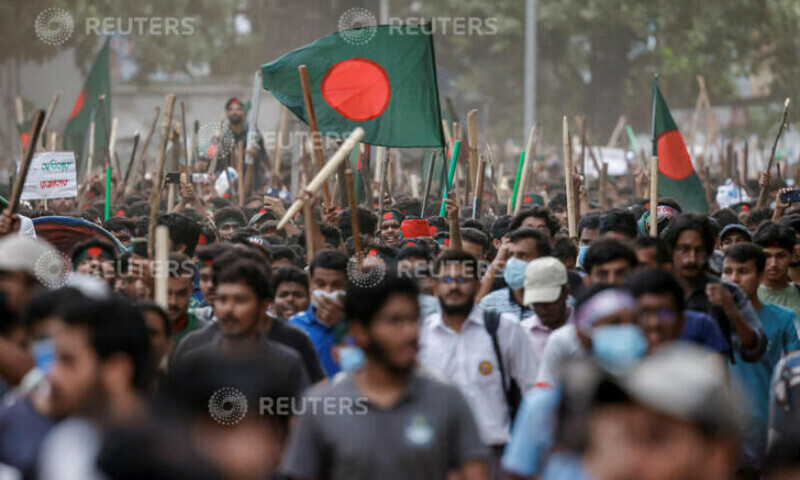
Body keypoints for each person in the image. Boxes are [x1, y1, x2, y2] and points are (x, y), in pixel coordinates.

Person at [281, 270, 489, 480]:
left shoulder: (448, 400)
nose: (410, 333)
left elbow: (473, 472)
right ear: (360, 331)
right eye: (395, 321)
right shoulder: (320, 407)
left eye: (413, 320)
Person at [419, 250, 538, 470]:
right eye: (447, 280)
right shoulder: (420, 335)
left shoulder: (503, 328)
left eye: (462, 279)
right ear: (435, 287)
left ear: (478, 284)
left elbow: (534, 393)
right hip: (436, 456)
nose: (454, 286)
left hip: (493, 455)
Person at [38, 295, 153, 480]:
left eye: (68, 361)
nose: (52, 373)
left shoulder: (175, 459)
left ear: (117, 372)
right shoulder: (65, 443)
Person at [171, 255, 310, 396]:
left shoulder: (287, 364)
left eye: (240, 300)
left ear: (262, 307)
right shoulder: (192, 359)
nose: (229, 309)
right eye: (222, 300)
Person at [721, 243, 800, 471]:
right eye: (728, 271)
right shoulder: (707, 319)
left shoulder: (783, 319)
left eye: (743, 272)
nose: (734, 279)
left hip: (767, 431)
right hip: (722, 433)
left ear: (760, 275)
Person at [664, 213, 766, 361]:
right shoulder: (657, 291)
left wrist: (732, 312)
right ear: (671, 250)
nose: (691, 259)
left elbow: (755, 348)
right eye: (684, 250)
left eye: (699, 251)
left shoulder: (728, 292)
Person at [628, 269, 730, 355]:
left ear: (682, 320)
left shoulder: (702, 324)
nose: (655, 322)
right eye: (645, 313)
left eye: (665, 313)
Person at [288, 250, 348, 378]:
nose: (328, 291)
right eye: (321, 284)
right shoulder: (293, 327)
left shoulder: (361, 326)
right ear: (311, 284)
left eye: (336, 285)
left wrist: (340, 325)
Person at [478, 227, 551, 319]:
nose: (514, 262)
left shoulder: (553, 304)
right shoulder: (489, 303)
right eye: (510, 255)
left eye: (523, 256)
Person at [519, 256, 574, 364]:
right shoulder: (522, 334)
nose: (543, 311)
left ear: (566, 292)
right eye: (537, 304)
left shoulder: (586, 330)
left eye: (549, 302)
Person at [754, 222, 800, 320]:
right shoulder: (747, 296)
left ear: (792, 255)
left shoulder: (798, 293)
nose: (774, 263)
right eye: (767, 256)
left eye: (780, 256)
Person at [167, 252, 207, 345]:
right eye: (167, 293)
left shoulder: (206, 335)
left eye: (181, 294)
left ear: (192, 290)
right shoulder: (139, 331)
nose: (173, 302)